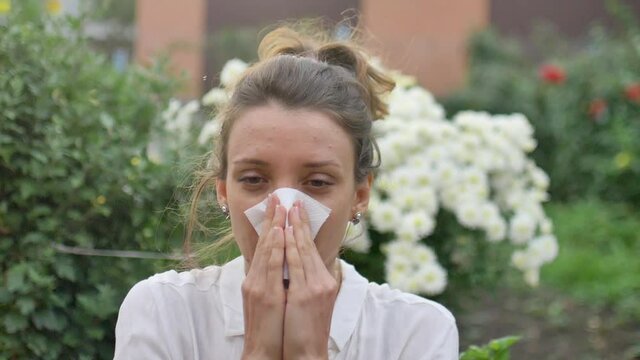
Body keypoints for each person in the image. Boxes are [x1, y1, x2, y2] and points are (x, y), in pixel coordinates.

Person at [114, 25, 458, 360]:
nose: (284, 212)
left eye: (318, 183)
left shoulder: (416, 332)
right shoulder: (163, 311)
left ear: (359, 195)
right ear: (223, 191)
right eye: (253, 179)